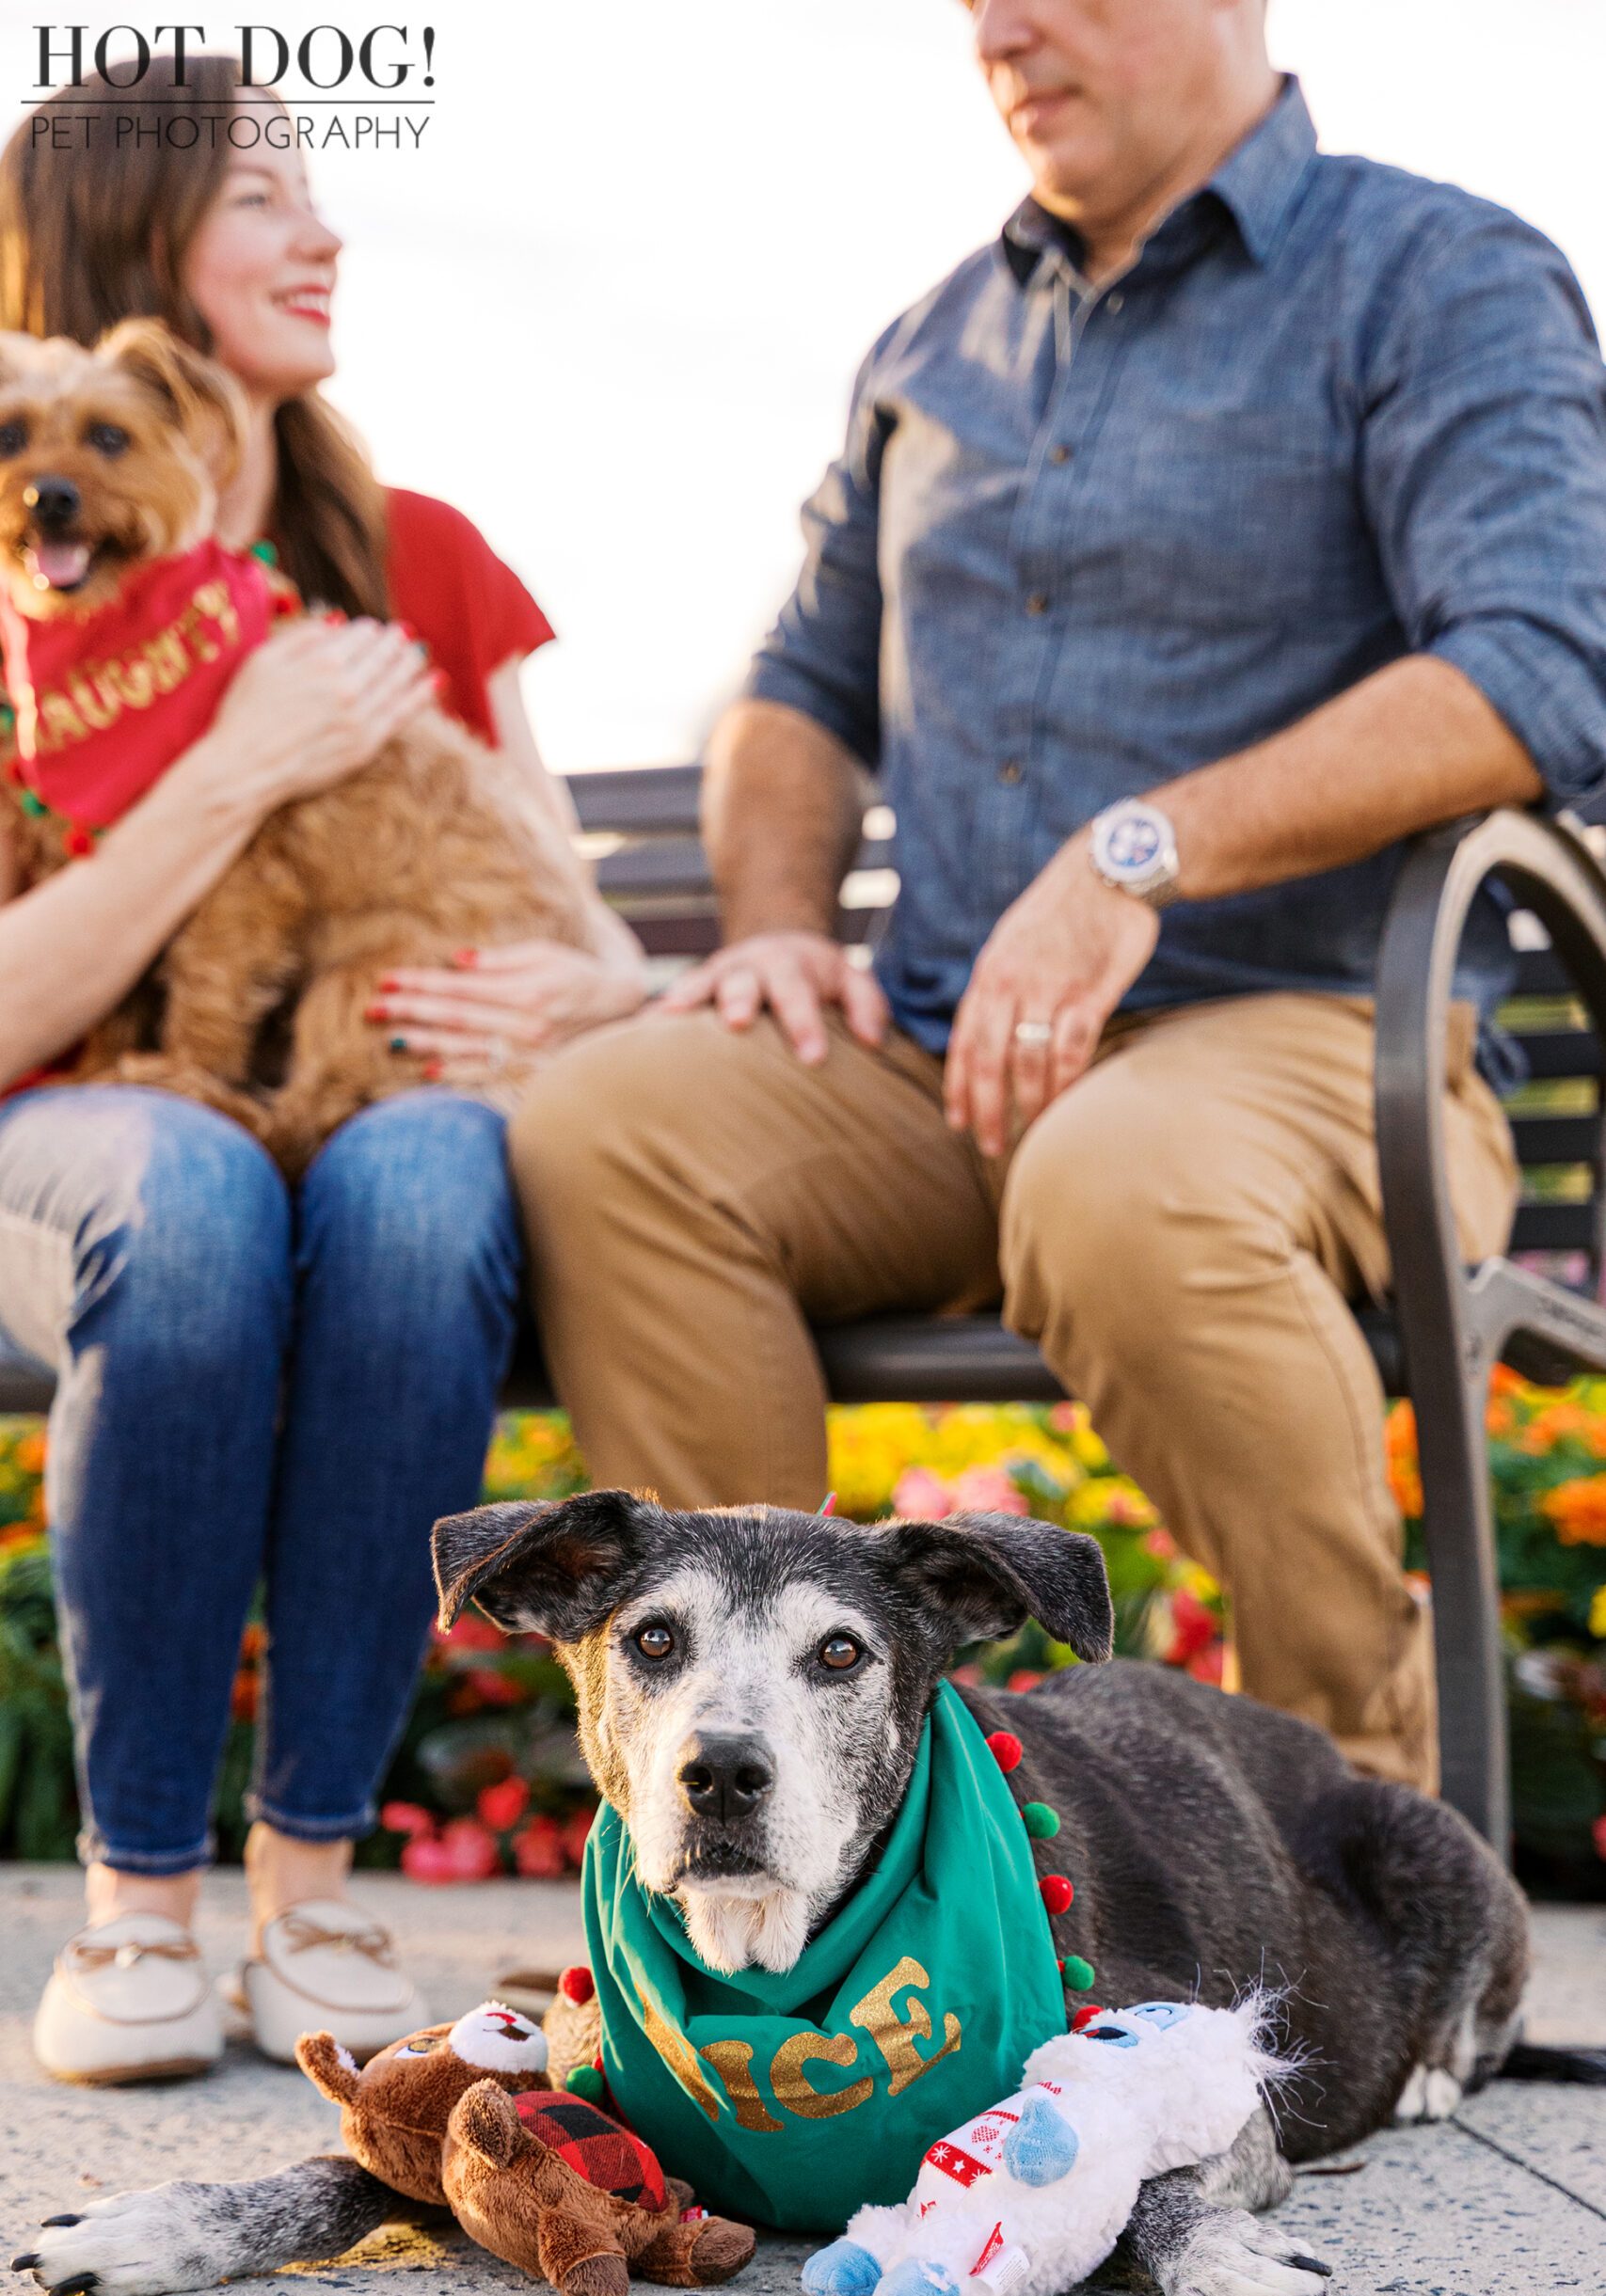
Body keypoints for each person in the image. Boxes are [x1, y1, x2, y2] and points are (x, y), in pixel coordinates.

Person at [510, 0, 1606, 1796]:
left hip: (1312, 1040)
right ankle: (779, 1824)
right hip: (947, 1059)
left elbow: (1538, 668)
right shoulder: (934, 342)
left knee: (1123, 1178)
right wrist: (780, 917)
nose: (1004, 29)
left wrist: (1138, 856)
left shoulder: (1436, 271)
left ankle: (1354, 1842)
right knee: (610, 1127)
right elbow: (796, 690)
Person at [0, 58, 650, 2083]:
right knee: (195, 1200)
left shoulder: (420, 553)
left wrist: (568, 997)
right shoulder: (16, 576)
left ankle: (317, 1876)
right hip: (89, 1128)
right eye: (261, 195)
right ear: (127, 247)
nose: (324, 229)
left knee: (421, 1183)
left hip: (392, 1080)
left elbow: (588, 923)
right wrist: (239, 763)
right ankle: (135, 1901)